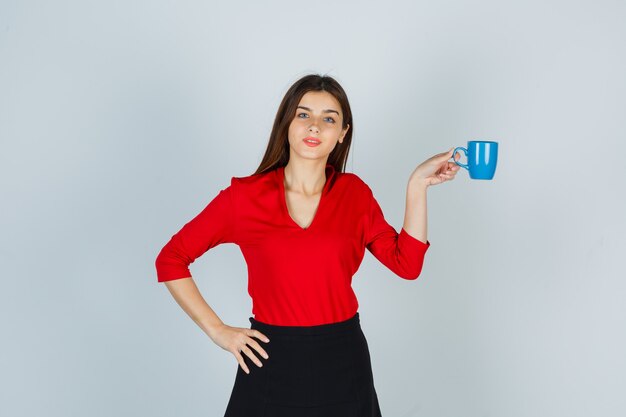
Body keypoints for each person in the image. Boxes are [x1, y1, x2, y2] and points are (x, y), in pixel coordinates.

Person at [154, 73, 460, 416]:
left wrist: (417, 185)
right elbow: (171, 260)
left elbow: (407, 265)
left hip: (343, 360)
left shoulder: (354, 195)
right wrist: (219, 331)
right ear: (287, 122)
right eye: (304, 114)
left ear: (343, 133)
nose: (314, 126)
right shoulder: (244, 198)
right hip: (268, 359)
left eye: (329, 118)